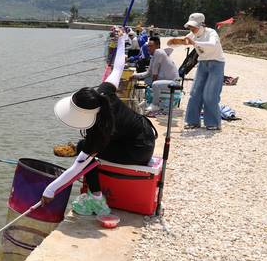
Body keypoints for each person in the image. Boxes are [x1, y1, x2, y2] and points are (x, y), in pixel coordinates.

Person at [41, 27, 158, 215]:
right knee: (84, 147)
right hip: (142, 134)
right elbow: (118, 66)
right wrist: (121, 40)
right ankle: (95, 195)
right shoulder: (102, 93)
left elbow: (78, 166)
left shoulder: (99, 131)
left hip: (137, 151)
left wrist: (50, 190)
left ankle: (97, 200)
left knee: (83, 150)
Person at [168, 13, 226, 130]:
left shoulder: (211, 33)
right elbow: (171, 44)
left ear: (201, 25)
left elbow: (212, 44)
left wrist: (194, 43)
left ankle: (213, 123)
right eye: (190, 27)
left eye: (193, 27)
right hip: (202, 63)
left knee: (210, 95)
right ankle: (192, 121)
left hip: (216, 63)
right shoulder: (192, 34)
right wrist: (176, 41)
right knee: (195, 93)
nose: (191, 29)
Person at [131, 36, 179, 116]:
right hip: (165, 80)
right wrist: (134, 76)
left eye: (151, 46)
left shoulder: (159, 52)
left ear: (157, 46)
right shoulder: (153, 57)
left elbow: (155, 74)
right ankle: (147, 100)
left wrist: (152, 87)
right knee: (147, 80)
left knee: (155, 84)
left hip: (173, 82)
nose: (148, 48)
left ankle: (155, 105)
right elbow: (148, 73)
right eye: (148, 46)